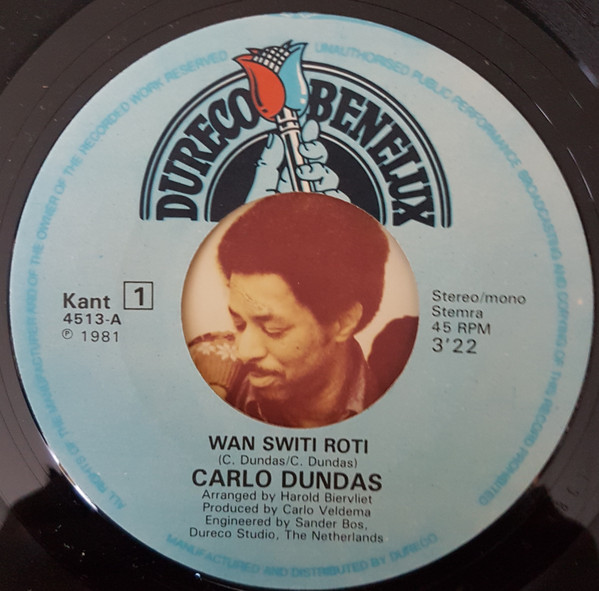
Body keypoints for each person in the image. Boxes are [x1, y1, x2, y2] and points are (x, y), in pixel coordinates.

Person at [189, 192, 402, 427]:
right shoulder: (204, 373)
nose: (245, 352)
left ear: (344, 322)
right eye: (239, 324)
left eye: (273, 330)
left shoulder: (400, 408)